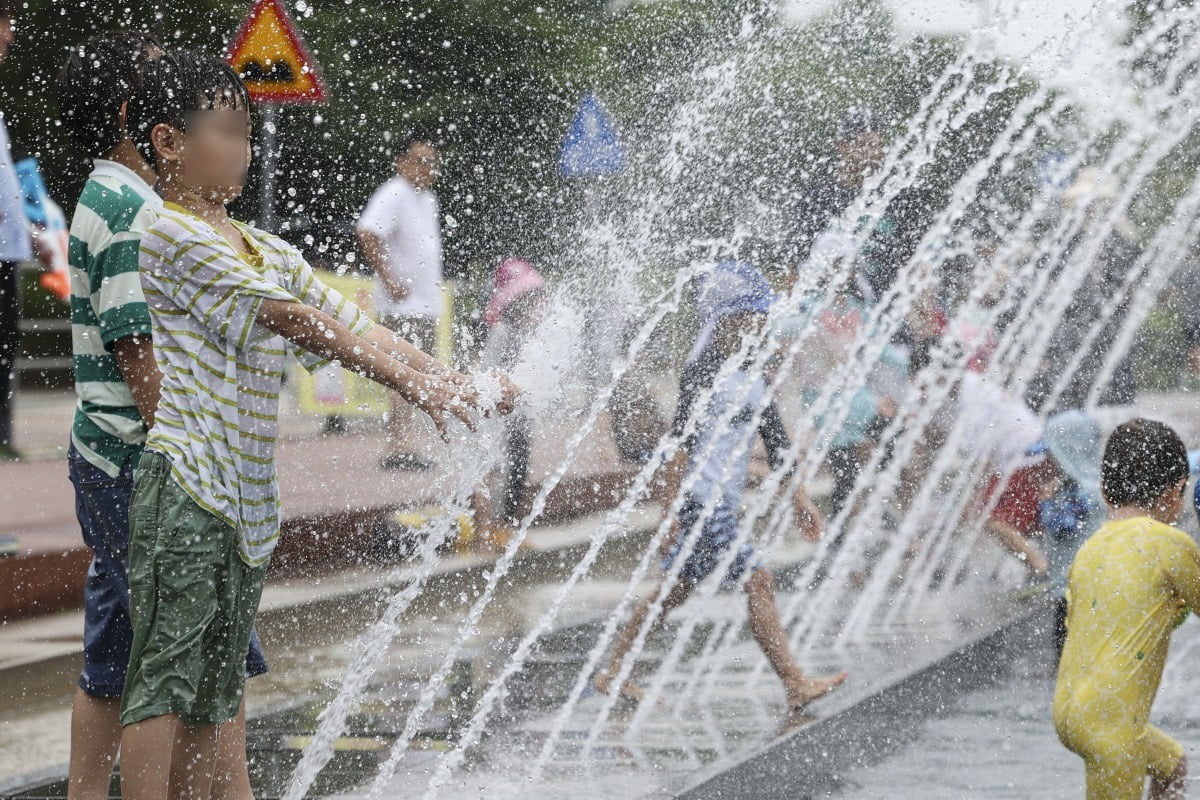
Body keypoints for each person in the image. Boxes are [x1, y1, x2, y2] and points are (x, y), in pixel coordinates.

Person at [119, 49, 502, 799]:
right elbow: (294, 321)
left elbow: (345, 316)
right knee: (164, 681)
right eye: (226, 131)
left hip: (244, 499)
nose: (244, 148)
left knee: (218, 685)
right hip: (189, 488)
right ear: (170, 143)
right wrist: (410, 386)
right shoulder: (171, 233)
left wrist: (446, 380)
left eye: (248, 132)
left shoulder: (257, 242)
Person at [55, 32, 284, 800]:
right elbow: (137, 351)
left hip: (107, 451)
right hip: (140, 460)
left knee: (116, 652)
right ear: (139, 116)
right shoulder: (130, 210)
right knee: (212, 649)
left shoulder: (103, 194)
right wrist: (185, 456)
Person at [594, 260, 847, 716]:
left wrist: (801, 498)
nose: (760, 321)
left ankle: (614, 670)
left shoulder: (754, 373)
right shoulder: (702, 373)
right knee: (759, 579)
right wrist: (670, 516)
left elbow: (778, 442)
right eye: (751, 313)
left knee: (673, 591)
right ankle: (793, 682)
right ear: (726, 318)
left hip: (719, 505)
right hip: (701, 502)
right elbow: (679, 450)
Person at [1054, 418, 1198, 800]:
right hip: (1111, 724)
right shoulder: (1170, 543)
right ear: (1175, 493)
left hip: (1071, 711)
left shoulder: (1090, 549)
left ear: (1104, 491)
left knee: (1171, 764)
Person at [356, 136, 445, 471]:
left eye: (432, 162)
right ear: (401, 162)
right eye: (421, 161)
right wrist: (389, 277)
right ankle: (398, 446)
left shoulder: (427, 199)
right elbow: (367, 232)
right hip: (402, 307)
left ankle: (406, 443)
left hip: (424, 304)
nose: (428, 169)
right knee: (402, 375)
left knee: (414, 376)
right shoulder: (394, 193)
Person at [468, 257, 545, 550]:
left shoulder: (529, 332)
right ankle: (484, 531)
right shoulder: (502, 331)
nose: (534, 305)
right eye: (527, 298)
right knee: (489, 468)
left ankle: (507, 527)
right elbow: (488, 373)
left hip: (519, 414)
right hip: (494, 413)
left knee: (518, 467)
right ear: (512, 301)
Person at [1029, 410, 1104, 659]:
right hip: (1075, 591)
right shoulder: (1077, 486)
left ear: (1069, 451)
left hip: (1079, 594)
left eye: (1051, 454)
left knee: (1072, 660)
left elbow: (1063, 526)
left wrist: (1048, 503)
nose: (1047, 461)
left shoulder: (1087, 492)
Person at [0, 1, 32, 460]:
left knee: (7, 348)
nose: (9, 34)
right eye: (3, 22)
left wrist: (30, 234)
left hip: (6, 252)